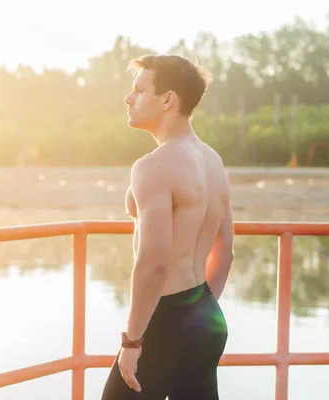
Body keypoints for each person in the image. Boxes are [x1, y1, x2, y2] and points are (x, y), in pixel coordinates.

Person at [101, 54, 235, 400]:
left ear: (167, 99)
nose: (128, 99)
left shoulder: (154, 166)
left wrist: (131, 341)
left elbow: (153, 264)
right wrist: (199, 311)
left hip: (163, 322)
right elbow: (226, 252)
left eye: (138, 90)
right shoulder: (213, 161)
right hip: (205, 313)